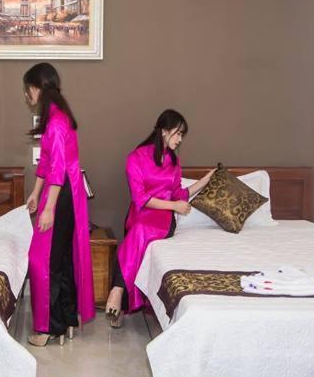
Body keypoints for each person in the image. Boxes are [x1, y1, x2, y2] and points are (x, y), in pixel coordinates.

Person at [104, 110, 213, 327]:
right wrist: (175, 206)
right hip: (140, 215)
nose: (180, 139)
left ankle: (117, 291)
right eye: (178, 133)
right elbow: (140, 198)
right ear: (164, 130)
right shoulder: (135, 158)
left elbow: (178, 193)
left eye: (182, 135)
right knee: (138, 232)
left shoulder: (174, 162)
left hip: (163, 221)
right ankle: (122, 302)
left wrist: (203, 182)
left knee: (138, 234)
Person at [23, 63, 95, 347]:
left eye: (28, 89)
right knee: (62, 259)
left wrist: (49, 208)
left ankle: (49, 329)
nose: (27, 95)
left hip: (61, 194)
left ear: (37, 88)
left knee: (44, 261)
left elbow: (57, 169)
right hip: (64, 192)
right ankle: (66, 320)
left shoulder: (56, 122)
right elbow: (46, 162)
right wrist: (35, 193)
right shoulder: (57, 117)